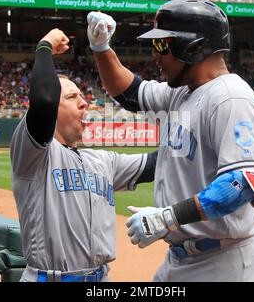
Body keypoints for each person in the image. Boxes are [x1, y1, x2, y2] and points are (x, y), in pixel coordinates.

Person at [86, 0, 254, 282]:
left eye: (162, 45)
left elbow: (241, 184)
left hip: (226, 263)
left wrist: (168, 217)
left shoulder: (231, 98)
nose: (155, 56)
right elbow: (129, 93)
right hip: (181, 259)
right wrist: (101, 48)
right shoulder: (182, 91)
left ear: (194, 47)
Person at [10, 29, 157, 282]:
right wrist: (44, 46)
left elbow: (156, 163)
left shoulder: (102, 160)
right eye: (70, 97)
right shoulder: (34, 155)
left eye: (82, 95)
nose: (84, 102)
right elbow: (43, 100)